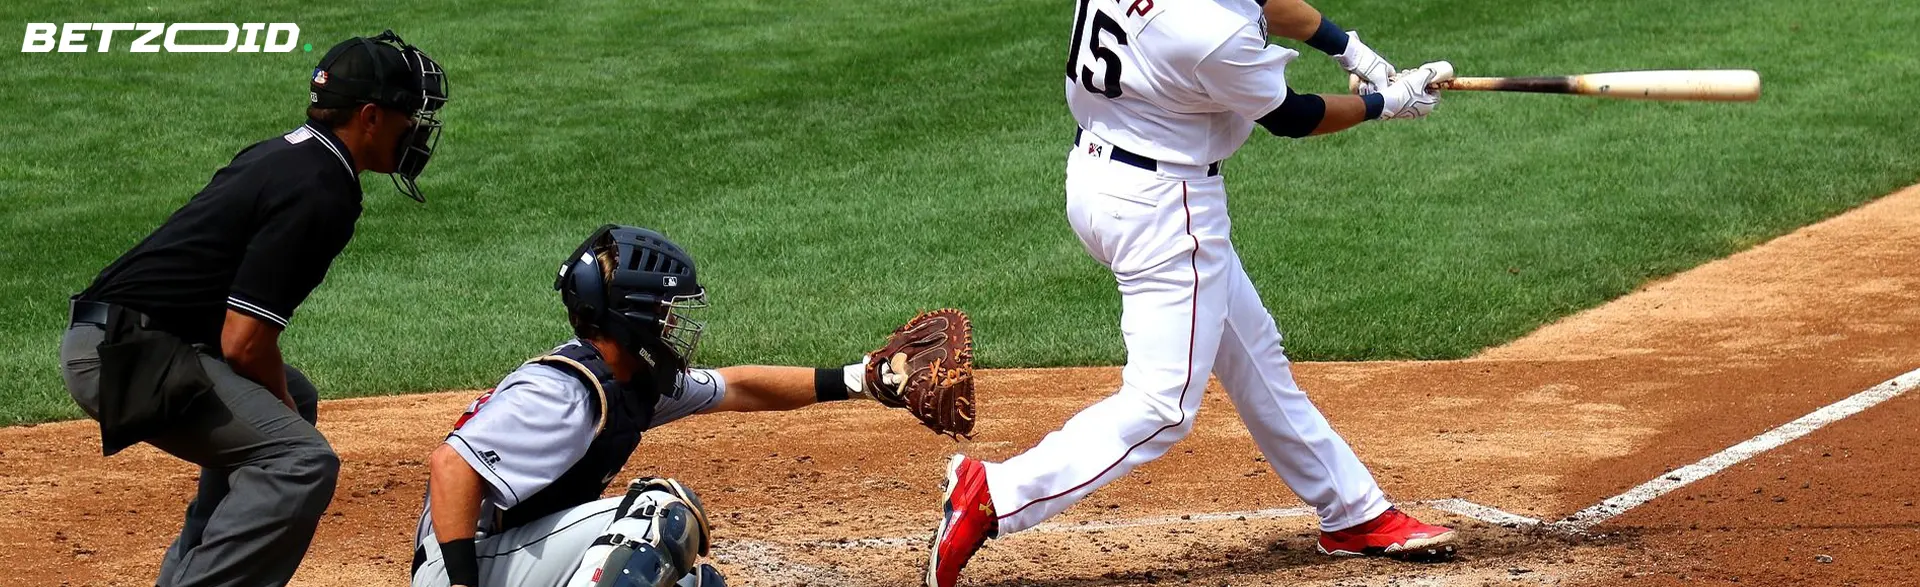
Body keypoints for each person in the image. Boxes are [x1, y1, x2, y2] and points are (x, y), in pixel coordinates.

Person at [924, 1, 1457, 584]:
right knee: (1162, 405)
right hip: (1166, 208)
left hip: (1100, 175)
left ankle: (1355, 511)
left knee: (1254, 354)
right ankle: (995, 493)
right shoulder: (1209, 35)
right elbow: (1293, 115)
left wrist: (1355, 53)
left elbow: (1262, 2)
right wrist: (1386, 103)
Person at [55, 31, 448, 587]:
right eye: (410, 116)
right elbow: (243, 340)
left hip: (131, 338)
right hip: (126, 354)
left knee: (295, 401)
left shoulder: (292, 155)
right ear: (370, 116)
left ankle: (190, 573)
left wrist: (285, 396)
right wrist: (277, 397)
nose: (417, 131)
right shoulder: (322, 189)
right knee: (300, 463)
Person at [412, 225, 975, 587]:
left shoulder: (631, 378)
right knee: (660, 515)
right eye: (665, 310)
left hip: (509, 556)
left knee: (692, 586)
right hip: (463, 568)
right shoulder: (563, 391)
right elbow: (451, 465)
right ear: (631, 316)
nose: (675, 323)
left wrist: (864, 379)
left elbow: (738, 387)